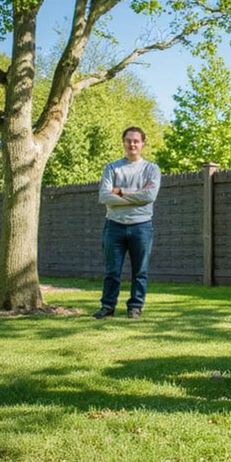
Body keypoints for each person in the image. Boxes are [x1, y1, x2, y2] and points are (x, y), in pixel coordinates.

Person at [94, 126, 161, 320]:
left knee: (140, 271)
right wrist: (136, 196)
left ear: (143, 144)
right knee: (111, 271)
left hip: (142, 226)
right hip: (114, 225)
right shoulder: (112, 167)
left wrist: (120, 192)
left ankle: (135, 307)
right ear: (123, 143)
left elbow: (150, 196)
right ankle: (107, 307)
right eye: (128, 140)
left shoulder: (151, 169)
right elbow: (104, 196)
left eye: (136, 141)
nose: (132, 144)